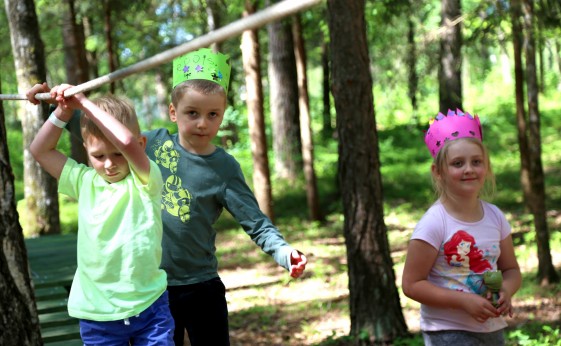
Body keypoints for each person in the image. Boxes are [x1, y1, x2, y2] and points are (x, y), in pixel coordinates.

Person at [27, 47, 308, 346]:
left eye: (213, 114)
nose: (202, 123)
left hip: (200, 284)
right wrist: (50, 102)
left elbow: (255, 221)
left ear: (223, 115)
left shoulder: (224, 167)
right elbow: (97, 132)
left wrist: (282, 252)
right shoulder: (150, 145)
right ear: (174, 112)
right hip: (151, 291)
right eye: (192, 113)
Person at [28, 84, 174, 345]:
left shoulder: (145, 180)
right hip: (98, 313)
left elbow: (127, 141)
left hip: (150, 307)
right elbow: (40, 151)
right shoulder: (83, 182)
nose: (109, 164)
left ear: (141, 145)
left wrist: (84, 104)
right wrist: (62, 111)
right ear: (86, 149)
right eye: (98, 155)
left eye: (117, 154)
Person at [401, 109, 522, 346]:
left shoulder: (495, 217)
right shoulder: (435, 222)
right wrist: (463, 301)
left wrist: (507, 290)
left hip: (492, 329)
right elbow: (412, 284)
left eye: (476, 162)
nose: (468, 169)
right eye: (458, 163)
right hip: (448, 332)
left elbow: (511, 270)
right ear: (438, 172)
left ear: (486, 167)